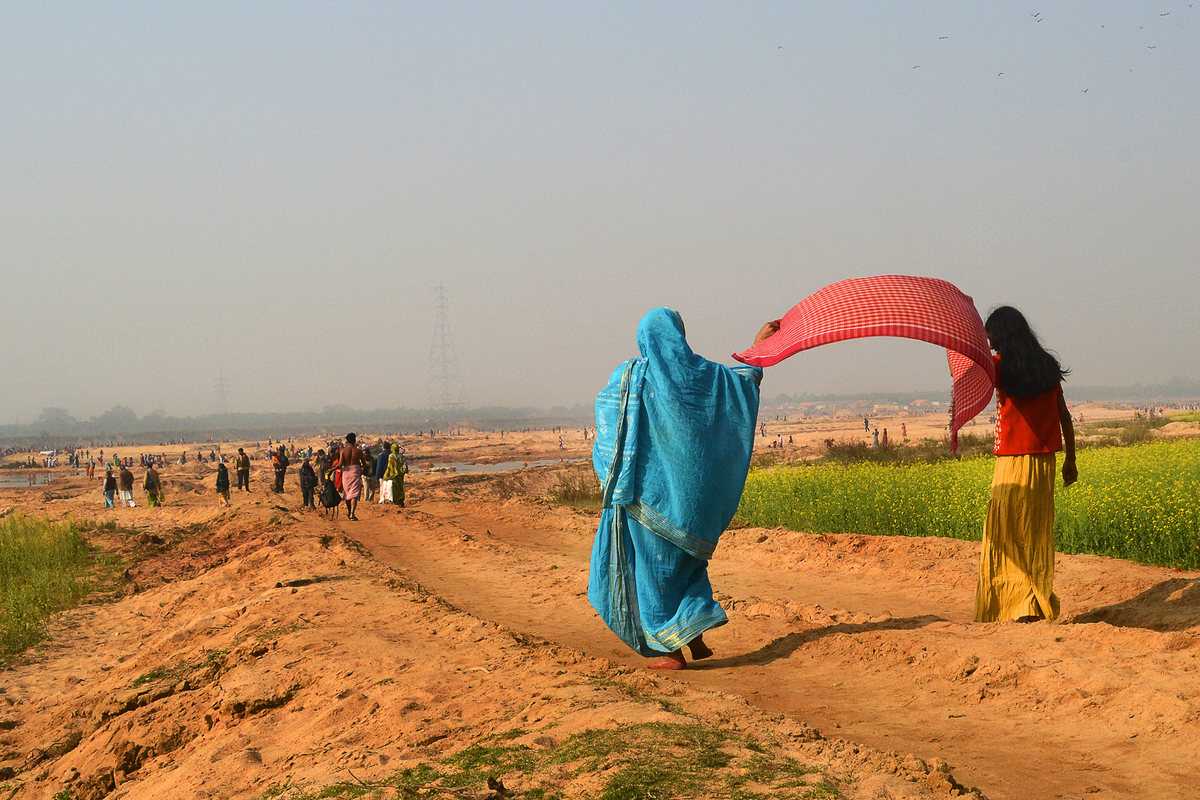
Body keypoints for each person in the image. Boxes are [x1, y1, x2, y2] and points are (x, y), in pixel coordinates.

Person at [588, 308, 777, 670]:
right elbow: (743, 385)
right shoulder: (705, 376)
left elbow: (608, 430)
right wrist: (758, 347)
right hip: (696, 506)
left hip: (651, 498)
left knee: (654, 572)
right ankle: (693, 632)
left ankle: (670, 651)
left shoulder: (631, 376)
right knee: (687, 566)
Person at [975, 306, 1076, 624]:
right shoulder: (1046, 365)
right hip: (1044, 462)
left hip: (1012, 461)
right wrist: (1070, 459)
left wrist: (960, 346)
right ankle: (1032, 603)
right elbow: (1064, 416)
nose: (989, 344)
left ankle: (1011, 605)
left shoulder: (998, 366)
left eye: (991, 337)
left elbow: (963, 375)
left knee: (1004, 534)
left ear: (1002, 335)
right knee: (1035, 531)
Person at [339, 432, 364, 520]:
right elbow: (364, 464)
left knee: (347, 493)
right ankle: (352, 513)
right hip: (355, 471)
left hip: (346, 473)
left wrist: (331, 469)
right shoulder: (358, 452)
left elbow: (340, 464)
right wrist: (363, 470)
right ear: (355, 440)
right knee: (354, 493)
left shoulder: (343, 451)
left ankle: (349, 512)